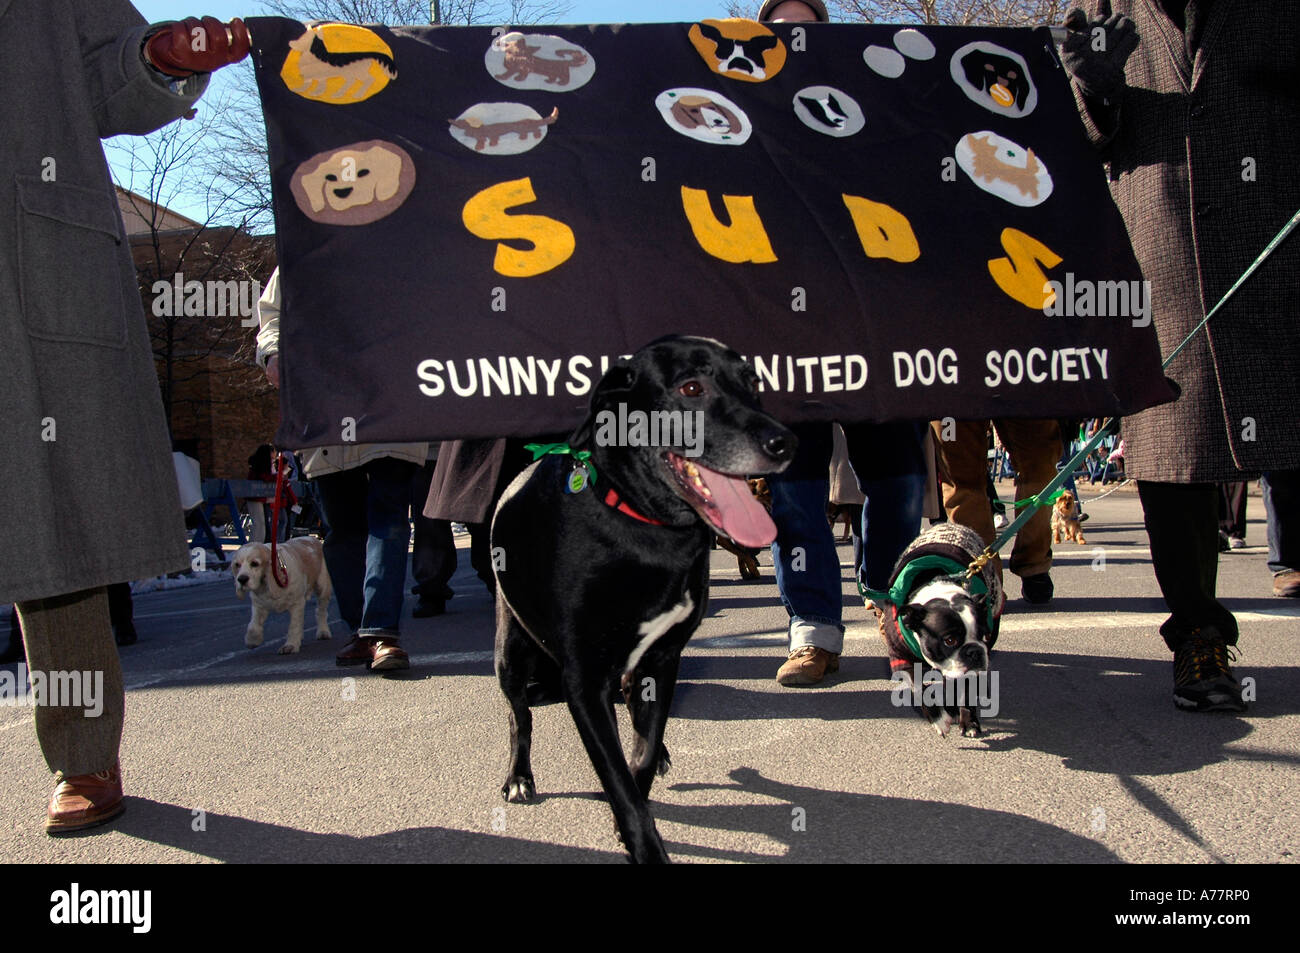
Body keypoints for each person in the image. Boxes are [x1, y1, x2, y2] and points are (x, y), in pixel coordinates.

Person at [0, 5, 249, 834]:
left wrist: (158, 57)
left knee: (51, 523)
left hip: (26, 260)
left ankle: (83, 750)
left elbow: (116, 75)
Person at [1062, 1, 1300, 709]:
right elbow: (1075, 147)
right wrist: (1093, 96)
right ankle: (1199, 635)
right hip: (1162, 252)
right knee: (1173, 453)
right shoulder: (1102, 8)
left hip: (1275, 240)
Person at [751, 0, 930, 688]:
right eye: (781, 29)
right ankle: (813, 632)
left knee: (901, 481)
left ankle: (891, 609)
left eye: (811, 28)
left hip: (878, 325)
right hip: (783, 331)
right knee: (794, 492)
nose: (797, 40)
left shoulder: (875, 104)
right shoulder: (743, 114)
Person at [257, 269, 426, 671]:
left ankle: (381, 631)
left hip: (391, 405)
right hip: (325, 410)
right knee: (343, 529)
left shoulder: (406, 246)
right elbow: (273, 316)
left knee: (388, 518)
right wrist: (274, 354)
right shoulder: (305, 248)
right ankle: (361, 630)